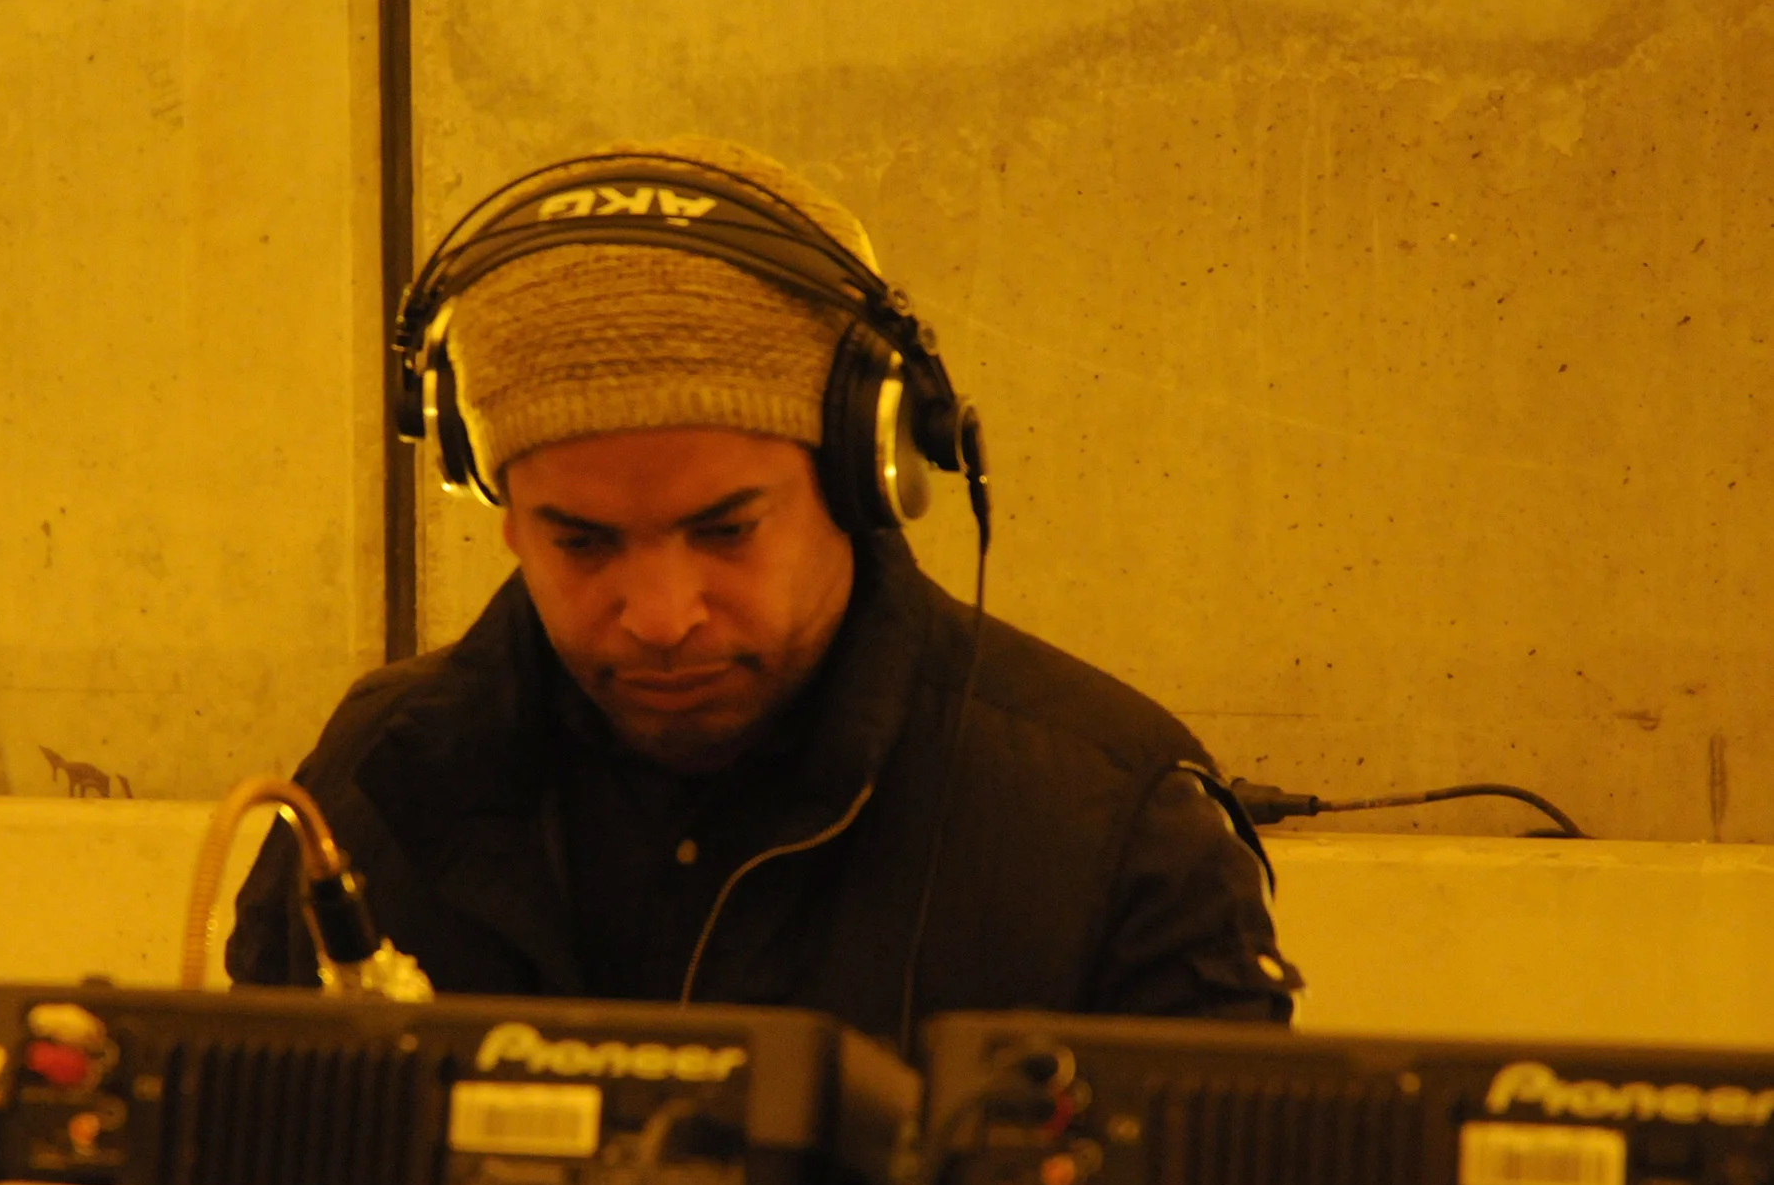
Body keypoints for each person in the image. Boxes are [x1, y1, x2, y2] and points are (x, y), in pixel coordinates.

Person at [228, 137, 1299, 1054]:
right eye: (582, 542)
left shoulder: (1113, 827)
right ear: (503, 512)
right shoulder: (368, 793)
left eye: (725, 530)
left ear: (863, 474)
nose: (661, 617)